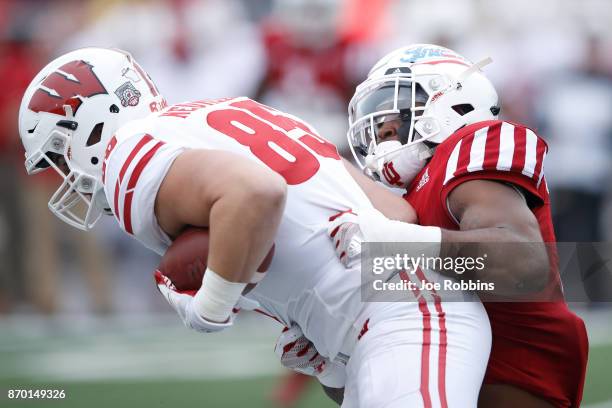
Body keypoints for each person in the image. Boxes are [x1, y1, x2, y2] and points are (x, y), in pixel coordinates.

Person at [18, 47, 491, 406]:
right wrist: (328, 348)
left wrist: (211, 307)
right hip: (398, 317)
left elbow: (255, 192)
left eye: (60, 155)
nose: (65, 175)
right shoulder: (223, 113)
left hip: (406, 316)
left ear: (90, 125)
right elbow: (396, 215)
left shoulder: (128, 154)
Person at [329, 44, 589, 407]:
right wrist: (332, 360)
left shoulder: (468, 148)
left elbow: (521, 265)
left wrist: (404, 242)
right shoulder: (407, 198)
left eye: (395, 109)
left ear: (452, 101)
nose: (383, 126)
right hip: (456, 373)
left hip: (515, 372)